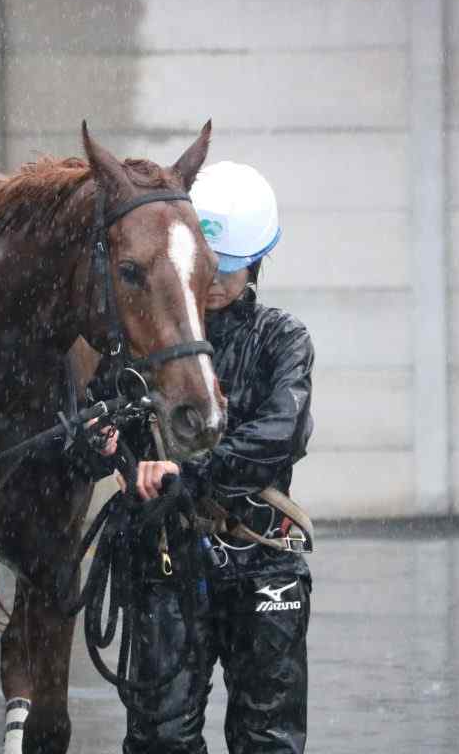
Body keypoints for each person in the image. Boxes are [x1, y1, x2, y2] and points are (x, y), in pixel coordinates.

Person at [102, 161, 316, 754]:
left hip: (263, 567)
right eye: (211, 267)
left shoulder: (281, 339)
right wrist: (102, 447)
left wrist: (187, 473)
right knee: (160, 739)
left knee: (267, 739)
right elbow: (98, 424)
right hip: (167, 563)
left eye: (232, 267)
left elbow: (283, 432)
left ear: (256, 262)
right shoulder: (143, 342)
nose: (218, 282)